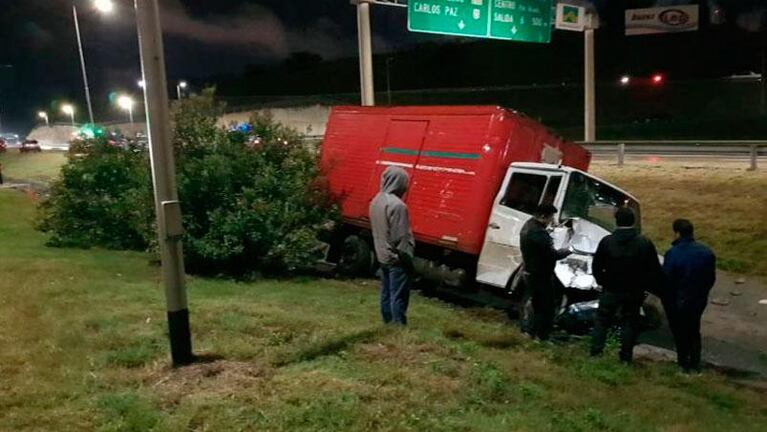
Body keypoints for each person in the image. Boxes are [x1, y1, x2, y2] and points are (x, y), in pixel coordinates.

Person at [591, 207, 663, 363]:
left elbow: (596, 266)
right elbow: (654, 269)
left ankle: (596, 352)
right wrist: (646, 287)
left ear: (617, 221)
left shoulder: (607, 242)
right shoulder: (644, 243)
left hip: (611, 288)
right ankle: (625, 356)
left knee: (602, 320)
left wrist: (603, 282)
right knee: (630, 322)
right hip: (634, 290)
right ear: (634, 221)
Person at [663, 219, 716, 373]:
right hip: (698, 299)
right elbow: (710, 278)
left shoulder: (673, 253)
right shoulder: (706, 253)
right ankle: (695, 363)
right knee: (694, 329)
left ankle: (683, 364)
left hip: (679, 299)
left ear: (677, 233)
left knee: (680, 332)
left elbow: (667, 278)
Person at [370, 166, 415, 326]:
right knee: (398, 295)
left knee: (386, 293)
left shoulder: (376, 200)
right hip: (396, 258)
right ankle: (398, 326)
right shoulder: (397, 206)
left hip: (382, 254)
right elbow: (401, 237)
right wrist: (408, 260)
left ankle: (387, 322)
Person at [519, 204, 571, 340]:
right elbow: (551, 254)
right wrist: (568, 251)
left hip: (531, 270)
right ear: (543, 216)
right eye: (551, 217)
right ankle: (538, 334)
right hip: (540, 273)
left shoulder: (529, 225)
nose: (552, 221)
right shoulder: (538, 233)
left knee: (534, 302)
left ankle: (529, 331)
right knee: (545, 306)